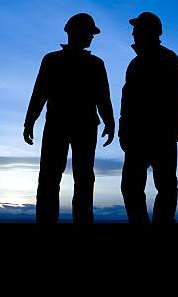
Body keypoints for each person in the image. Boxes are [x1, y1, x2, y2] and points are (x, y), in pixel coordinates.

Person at [23, 13, 114, 224]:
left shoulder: (93, 64)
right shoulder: (54, 60)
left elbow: (103, 97)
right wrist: (30, 120)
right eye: (88, 32)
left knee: (74, 177)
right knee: (54, 177)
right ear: (74, 32)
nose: (91, 37)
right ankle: (52, 223)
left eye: (92, 33)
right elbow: (39, 93)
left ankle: (76, 222)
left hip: (74, 125)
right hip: (64, 125)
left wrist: (109, 121)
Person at [119, 12, 178, 224]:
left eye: (136, 30)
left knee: (162, 186)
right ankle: (145, 225)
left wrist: (173, 133)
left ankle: (159, 226)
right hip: (141, 136)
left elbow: (176, 98)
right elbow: (127, 101)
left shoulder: (166, 60)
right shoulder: (136, 63)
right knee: (133, 186)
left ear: (148, 32)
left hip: (157, 135)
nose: (133, 33)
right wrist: (123, 130)